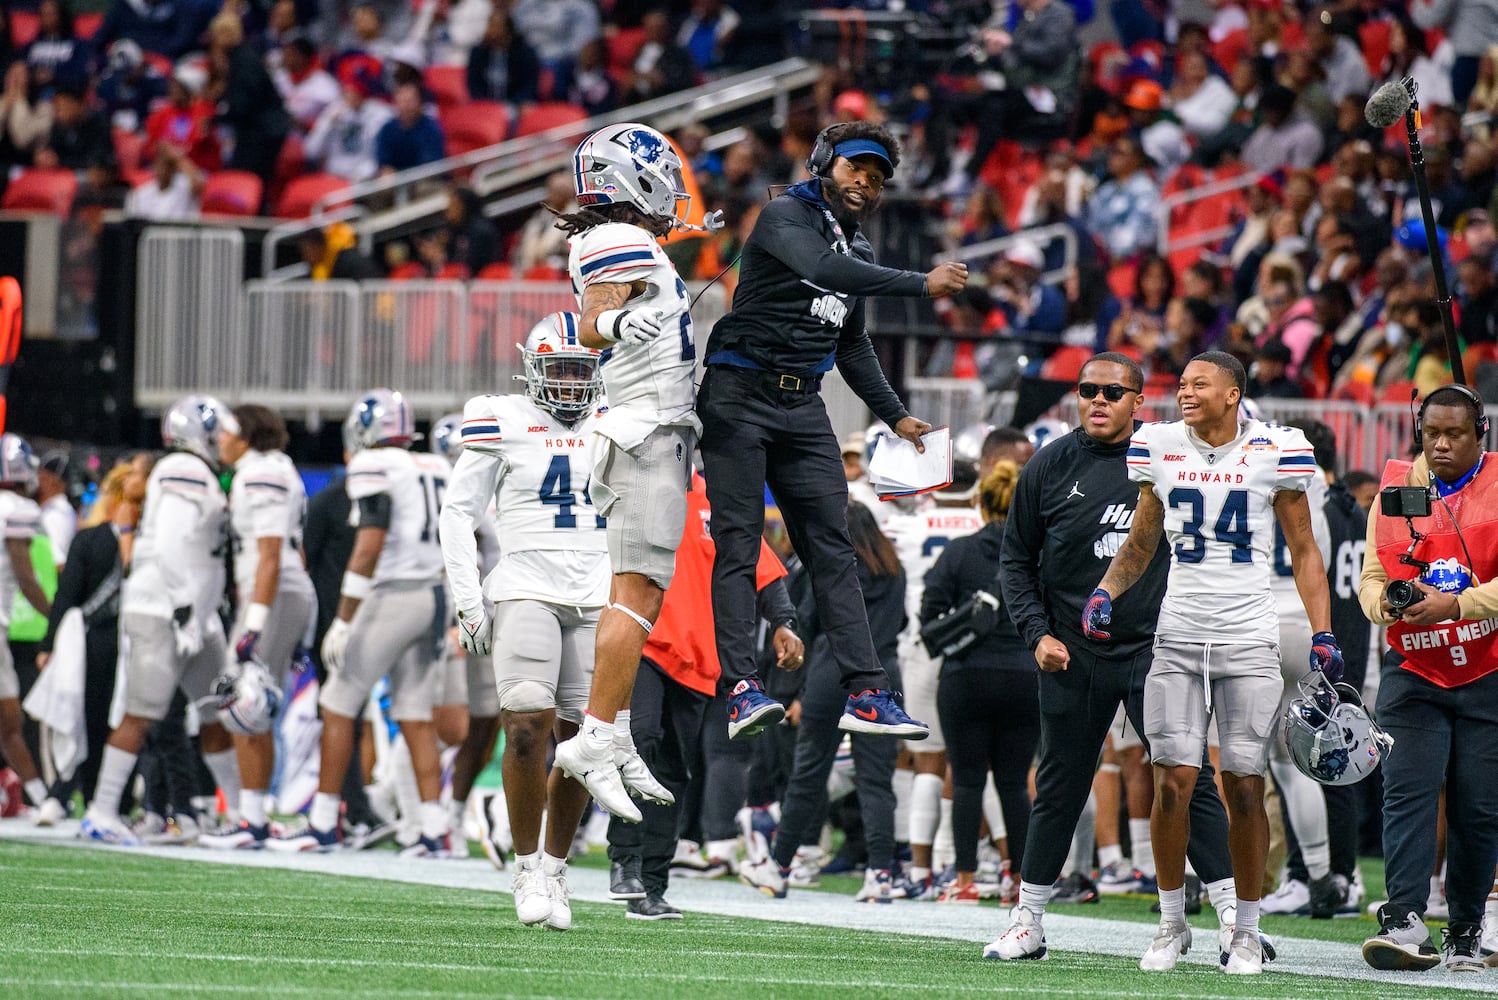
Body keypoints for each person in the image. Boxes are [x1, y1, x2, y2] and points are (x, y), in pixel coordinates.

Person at [696, 120, 967, 747]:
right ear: (824, 163)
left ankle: (868, 692)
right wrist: (922, 283)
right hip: (738, 393)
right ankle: (740, 687)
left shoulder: (862, 250)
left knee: (835, 547)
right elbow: (822, 267)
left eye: (875, 179)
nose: (865, 184)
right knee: (739, 543)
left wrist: (895, 414)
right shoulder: (784, 216)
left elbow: (852, 343)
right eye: (855, 170)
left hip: (802, 404)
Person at [1085, 351, 1338, 974]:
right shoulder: (1161, 444)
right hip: (1177, 633)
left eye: (1200, 384)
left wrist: (1322, 630)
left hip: (1248, 636)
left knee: (1245, 784)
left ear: (1233, 394)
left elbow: (1303, 549)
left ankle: (1247, 932)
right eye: (1181, 384)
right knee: (1172, 780)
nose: (1185, 393)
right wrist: (1106, 590)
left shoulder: (1277, 448)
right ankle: (1173, 923)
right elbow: (1144, 539)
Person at [986, 352, 1239, 962]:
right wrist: (1036, 634)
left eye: (1112, 392)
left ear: (1137, 402)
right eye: (1087, 389)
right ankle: (1029, 920)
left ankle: (1235, 916)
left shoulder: (1169, 455)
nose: (1098, 400)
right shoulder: (1048, 464)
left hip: (1155, 646)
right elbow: (1015, 560)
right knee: (1060, 782)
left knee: (1186, 775)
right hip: (1071, 652)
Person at [546, 123, 697, 824]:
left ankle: (619, 728)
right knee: (636, 594)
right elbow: (592, 319)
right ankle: (595, 735)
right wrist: (613, 330)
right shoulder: (617, 238)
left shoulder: (628, 240)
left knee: (635, 595)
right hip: (644, 429)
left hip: (647, 430)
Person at [438, 312, 608, 928]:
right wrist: (468, 600)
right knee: (527, 728)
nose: (568, 382)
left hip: (598, 590)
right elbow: (457, 513)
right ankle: (526, 864)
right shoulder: (504, 418)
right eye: (558, 368)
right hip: (526, 586)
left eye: (579, 369)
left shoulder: (617, 416)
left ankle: (558, 870)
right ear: (532, 368)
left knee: (584, 742)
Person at [608, 468, 800, 919]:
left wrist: (784, 621)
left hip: (699, 658)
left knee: (675, 772)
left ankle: (651, 885)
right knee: (639, 742)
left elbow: (762, 567)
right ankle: (625, 860)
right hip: (644, 639)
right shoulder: (639, 484)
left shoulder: (723, 496)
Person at [271, 389, 450, 855]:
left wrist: (344, 619)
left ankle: (325, 822)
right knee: (414, 712)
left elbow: (369, 546)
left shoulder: (375, 465)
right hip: (433, 595)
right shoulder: (435, 466)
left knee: (337, 703)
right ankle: (434, 829)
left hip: (392, 596)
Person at [1358, 384, 1498, 973]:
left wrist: (1457, 605)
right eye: (1431, 432)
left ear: (1480, 434)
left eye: (1454, 433)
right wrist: (1382, 607)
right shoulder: (1393, 488)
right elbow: (1369, 576)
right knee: (1407, 791)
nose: (1440, 444)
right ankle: (1405, 919)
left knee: (1478, 803)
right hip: (1414, 667)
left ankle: (1465, 927)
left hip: (1488, 668)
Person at [81, 397, 239, 846]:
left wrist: (197, 612)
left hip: (192, 615)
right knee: (142, 712)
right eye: (217, 432)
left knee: (216, 712)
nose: (223, 441)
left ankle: (243, 815)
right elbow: (170, 543)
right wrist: (184, 607)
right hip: (164, 610)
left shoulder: (196, 472)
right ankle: (102, 810)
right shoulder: (183, 469)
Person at [738, 500, 907, 902]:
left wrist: (793, 690)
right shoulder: (893, 569)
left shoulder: (833, 568)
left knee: (808, 774)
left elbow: (808, 623)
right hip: (882, 673)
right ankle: (880, 873)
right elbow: (901, 622)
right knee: (875, 780)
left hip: (832, 671)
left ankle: (779, 867)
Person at [199, 405, 316, 850]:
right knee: (258, 707)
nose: (221, 440)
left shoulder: (259, 473)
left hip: (272, 592)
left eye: (227, 432)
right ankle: (255, 817)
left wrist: (253, 624)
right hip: (285, 591)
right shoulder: (276, 468)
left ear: (246, 436)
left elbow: (270, 555)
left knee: (243, 702)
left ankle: (251, 821)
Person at [922, 460, 1038, 903]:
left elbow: (929, 613)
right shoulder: (1034, 555)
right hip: (1026, 674)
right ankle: (1020, 881)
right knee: (1013, 781)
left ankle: (966, 880)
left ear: (980, 502)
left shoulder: (959, 551)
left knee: (968, 780)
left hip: (966, 675)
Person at [882, 464, 985, 897]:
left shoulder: (908, 526)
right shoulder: (983, 524)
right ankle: (953, 861)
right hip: (975, 648)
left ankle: (921, 868)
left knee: (926, 760)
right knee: (975, 765)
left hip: (922, 644)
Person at [35, 456, 146, 824]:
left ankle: (109, 800)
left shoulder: (130, 543)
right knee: (95, 720)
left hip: (120, 643)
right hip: (104, 643)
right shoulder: (95, 540)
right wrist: (49, 644)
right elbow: (68, 596)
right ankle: (86, 796)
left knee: (115, 721)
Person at [0, 435, 53, 815]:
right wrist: (57, 617)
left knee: (8, 720)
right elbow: (25, 577)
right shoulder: (16, 508)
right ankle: (41, 799)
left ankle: (38, 798)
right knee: (10, 720)